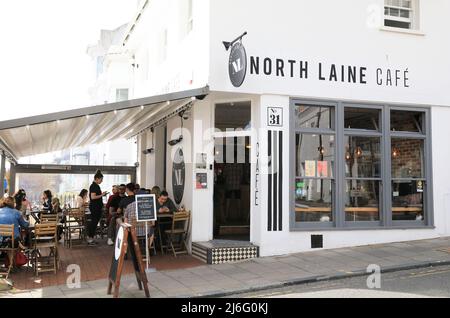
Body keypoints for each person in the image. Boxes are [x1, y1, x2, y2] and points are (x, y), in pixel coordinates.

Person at [121, 183, 155, 251]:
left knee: (124, 230)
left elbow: (125, 222)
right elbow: (153, 224)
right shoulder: (149, 207)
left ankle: (125, 251)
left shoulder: (129, 206)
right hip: (145, 232)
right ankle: (147, 248)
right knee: (152, 231)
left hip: (132, 232)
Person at [87, 170, 107, 246]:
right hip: (95, 208)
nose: (101, 181)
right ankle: (90, 239)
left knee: (94, 223)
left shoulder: (95, 186)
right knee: (94, 223)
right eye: (101, 179)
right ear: (97, 178)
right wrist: (102, 195)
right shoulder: (94, 186)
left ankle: (91, 238)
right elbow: (93, 197)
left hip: (96, 207)